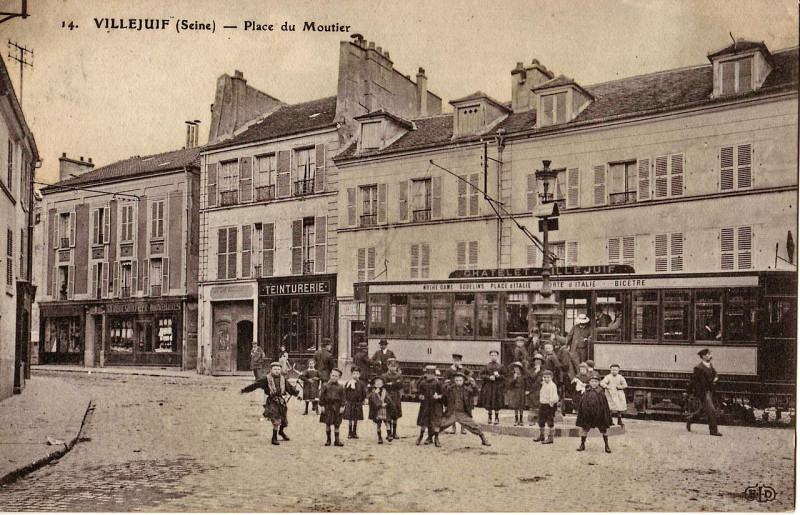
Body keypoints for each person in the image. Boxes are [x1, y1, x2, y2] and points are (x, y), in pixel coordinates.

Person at [240, 362, 299, 446]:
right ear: (271, 370)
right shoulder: (266, 379)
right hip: (271, 401)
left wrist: (296, 393)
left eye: (278, 369)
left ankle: (281, 432)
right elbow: (255, 385)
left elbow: (290, 388)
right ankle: (274, 438)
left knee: (284, 422)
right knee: (275, 420)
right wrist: (244, 390)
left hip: (281, 402)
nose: (277, 371)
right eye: (275, 369)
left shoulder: (283, 379)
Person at [438, 371, 491, 447]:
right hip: (452, 413)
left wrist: (474, 385)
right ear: (454, 380)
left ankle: (483, 439)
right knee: (440, 425)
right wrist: (445, 384)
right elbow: (443, 392)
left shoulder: (467, 390)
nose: (458, 382)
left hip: (463, 413)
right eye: (456, 380)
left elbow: (476, 393)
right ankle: (431, 438)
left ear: (463, 381)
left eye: (460, 380)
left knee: (474, 425)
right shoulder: (450, 389)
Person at [686, 349, 722, 436]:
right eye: (708, 354)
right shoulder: (698, 368)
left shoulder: (710, 365)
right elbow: (694, 382)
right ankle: (713, 431)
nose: (710, 355)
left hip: (710, 391)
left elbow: (715, 373)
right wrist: (688, 392)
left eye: (710, 354)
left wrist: (716, 378)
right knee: (712, 410)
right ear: (703, 356)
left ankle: (690, 419)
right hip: (704, 392)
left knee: (702, 410)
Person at [575, 371, 613, 453]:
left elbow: (605, 406)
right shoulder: (587, 392)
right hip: (588, 415)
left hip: (599, 415)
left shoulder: (601, 393)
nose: (594, 383)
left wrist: (604, 415)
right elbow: (583, 404)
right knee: (584, 429)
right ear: (589, 382)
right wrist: (584, 412)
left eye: (596, 382)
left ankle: (606, 445)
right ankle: (582, 444)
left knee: (604, 429)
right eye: (592, 382)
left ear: (599, 382)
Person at [414, 364, 444, 446]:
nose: (430, 376)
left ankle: (436, 438)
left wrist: (438, 396)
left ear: (434, 374)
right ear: (425, 374)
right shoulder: (422, 383)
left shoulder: (438, 383)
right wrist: (420, 396)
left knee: (436, 422)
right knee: (424, 421)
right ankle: (421, 436)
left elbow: (442, 394)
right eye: (428, 374)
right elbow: (418, 393)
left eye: (432, 374)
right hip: (425, 404)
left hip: (435, 405)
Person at [443, 353, 473, 434]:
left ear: (461, 361)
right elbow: (445, 379)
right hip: (452, 392)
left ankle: (463, 427)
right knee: (452, 409)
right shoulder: (449, 370)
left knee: (463, 409)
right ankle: (453, 427)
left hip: (462, 392)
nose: (456, 362)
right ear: (452, 361)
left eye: (458, 361)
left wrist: (467, 380)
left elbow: (470, 373)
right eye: (455, 360)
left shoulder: (463, 369)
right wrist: (447, 382)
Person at [319, 368, 346, 446]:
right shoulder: (325, 385)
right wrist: (322, 405)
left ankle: (337, 440)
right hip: (328, 406)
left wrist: (342, 406)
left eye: (336, 376)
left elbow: (343, 398)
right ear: (330, 375)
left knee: (337, 424)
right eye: (333, 375)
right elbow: (322, 397)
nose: (334, 377)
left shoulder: (341, 387)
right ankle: (328, 440)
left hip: (337, 407)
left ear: (339, 377)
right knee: (328, 423)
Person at [368, 376, 397, 444]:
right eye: (376, 383)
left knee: (387, 422)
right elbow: (372, 401)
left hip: (385, 410)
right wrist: (379, 404)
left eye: (380, 383)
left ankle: (389, 435)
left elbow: (389, 399)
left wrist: (387, 404)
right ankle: (380, 438)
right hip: (377, 410)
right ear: (374, 384)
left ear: (383, 384)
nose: (378, 384)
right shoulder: (373, 393)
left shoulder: (385, 391)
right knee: (378, 424)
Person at [479, 349, 506, 425]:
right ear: (490, 356)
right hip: (489, 387)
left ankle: (497, 418)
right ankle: (489, 417)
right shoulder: (486, 366)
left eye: (495, 355)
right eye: (492, 355)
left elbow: (505, 377)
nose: (493, 357)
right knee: (489, 401)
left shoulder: (500, 366)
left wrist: (499, 376)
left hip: (497, 387)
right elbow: (480, 375)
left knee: (497, 402)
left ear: (497, 356)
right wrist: (488, 377)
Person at [533, 370, 558, 444]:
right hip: (543, 404)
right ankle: (542, 435)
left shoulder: (552, 386)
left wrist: (551, 403)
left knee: (550, 420)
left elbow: (553, 396)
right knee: (541, 420)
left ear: (551, 378)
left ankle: (550, 438)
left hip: (550, 404)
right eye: (545, 377)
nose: (546, 379)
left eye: (548, 377)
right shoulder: (544, 384)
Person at [382, 358, 404, 440]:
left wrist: (392, 384)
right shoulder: (384, 376)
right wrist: (395, 383)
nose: (393, 368)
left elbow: (401, 385)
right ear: (388, 366)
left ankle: (394, 432)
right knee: (388, 414)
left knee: (395, 414)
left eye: (394, 366)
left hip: (396, 396)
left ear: (397, 366)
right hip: (388, 396)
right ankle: (389, 432)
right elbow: (384, 385)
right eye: (391, 366)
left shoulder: (399, 375)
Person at [344, 367, 368, 439]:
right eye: (354, 373)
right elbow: (345, 392)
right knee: (350, 417)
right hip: (350, 402)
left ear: (359, 375)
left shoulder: (361, 383)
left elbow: (364, 392)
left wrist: (364, 399)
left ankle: (354, 432)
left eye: (357, 374)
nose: (355, 375)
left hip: (358, 402)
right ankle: (349, 432)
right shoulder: (348, 383)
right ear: (351, 374)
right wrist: (345, 400)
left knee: (356, 418)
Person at [507, 362, 529, 426]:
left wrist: (526, 390)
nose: (516, 371)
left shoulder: (524, 377)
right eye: (515, 370)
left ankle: (521, 420)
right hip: (515, 392)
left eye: (518, 370)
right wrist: (514, 379)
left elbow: (526, 384)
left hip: (521, 392)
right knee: (516, 406)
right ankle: (516, 420)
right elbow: (510, 385)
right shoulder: (513, 377)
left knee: (521, 406)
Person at [526, 353, 544, 426]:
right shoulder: (531, 370)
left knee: (540, 406)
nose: (537, 363)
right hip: (533, 390)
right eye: (536, 361)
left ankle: (539, 420)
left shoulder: (544, 370)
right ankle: (532, 420)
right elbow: (530, 378)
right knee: (533, 406)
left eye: (539, 361)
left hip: (541, 390)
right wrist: (536, 371)